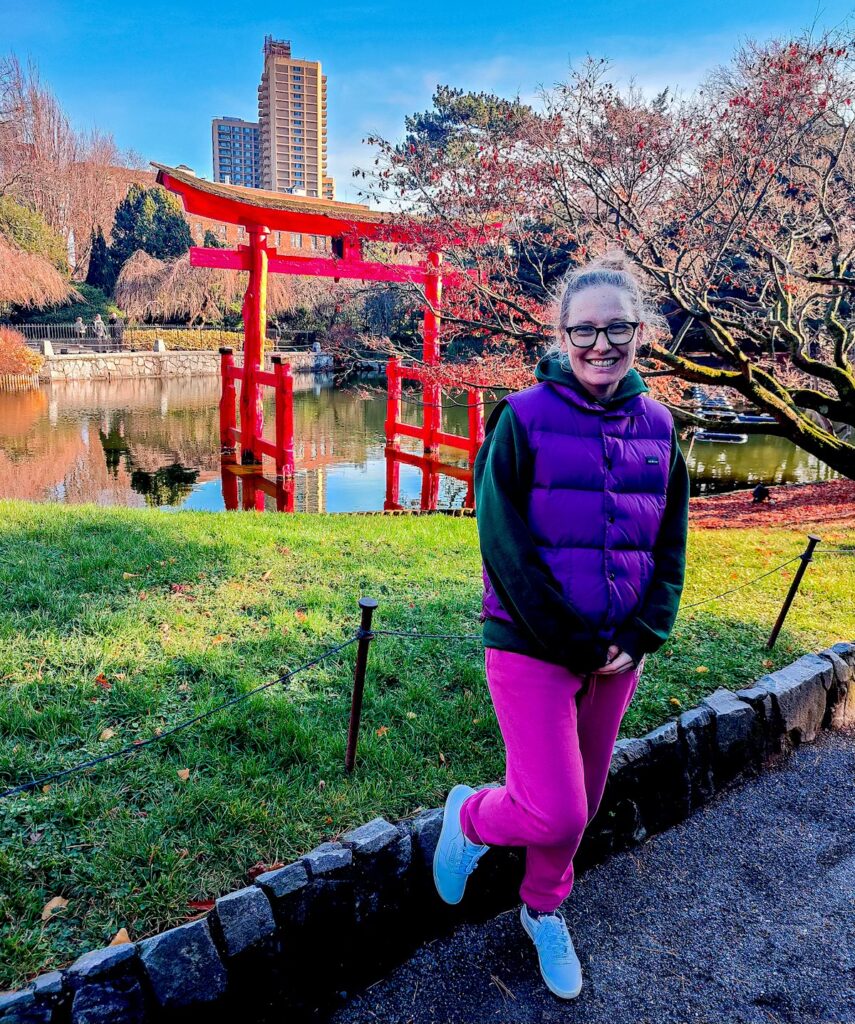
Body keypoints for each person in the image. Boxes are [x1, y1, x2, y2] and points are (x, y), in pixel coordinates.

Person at [432, 251, 690, 1000]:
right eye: (584, 332)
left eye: (617, 330)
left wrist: (643, 632)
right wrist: (577, 643)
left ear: (640, 331)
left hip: (619, 652)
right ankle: (472, 818)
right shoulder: (520, 419)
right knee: (554, 805)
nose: (600, 346)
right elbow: (503, 550)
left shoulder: (660, 425)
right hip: (531, 646)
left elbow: (669, 544)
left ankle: (542, 909)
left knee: (585, 797)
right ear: (560, 334)